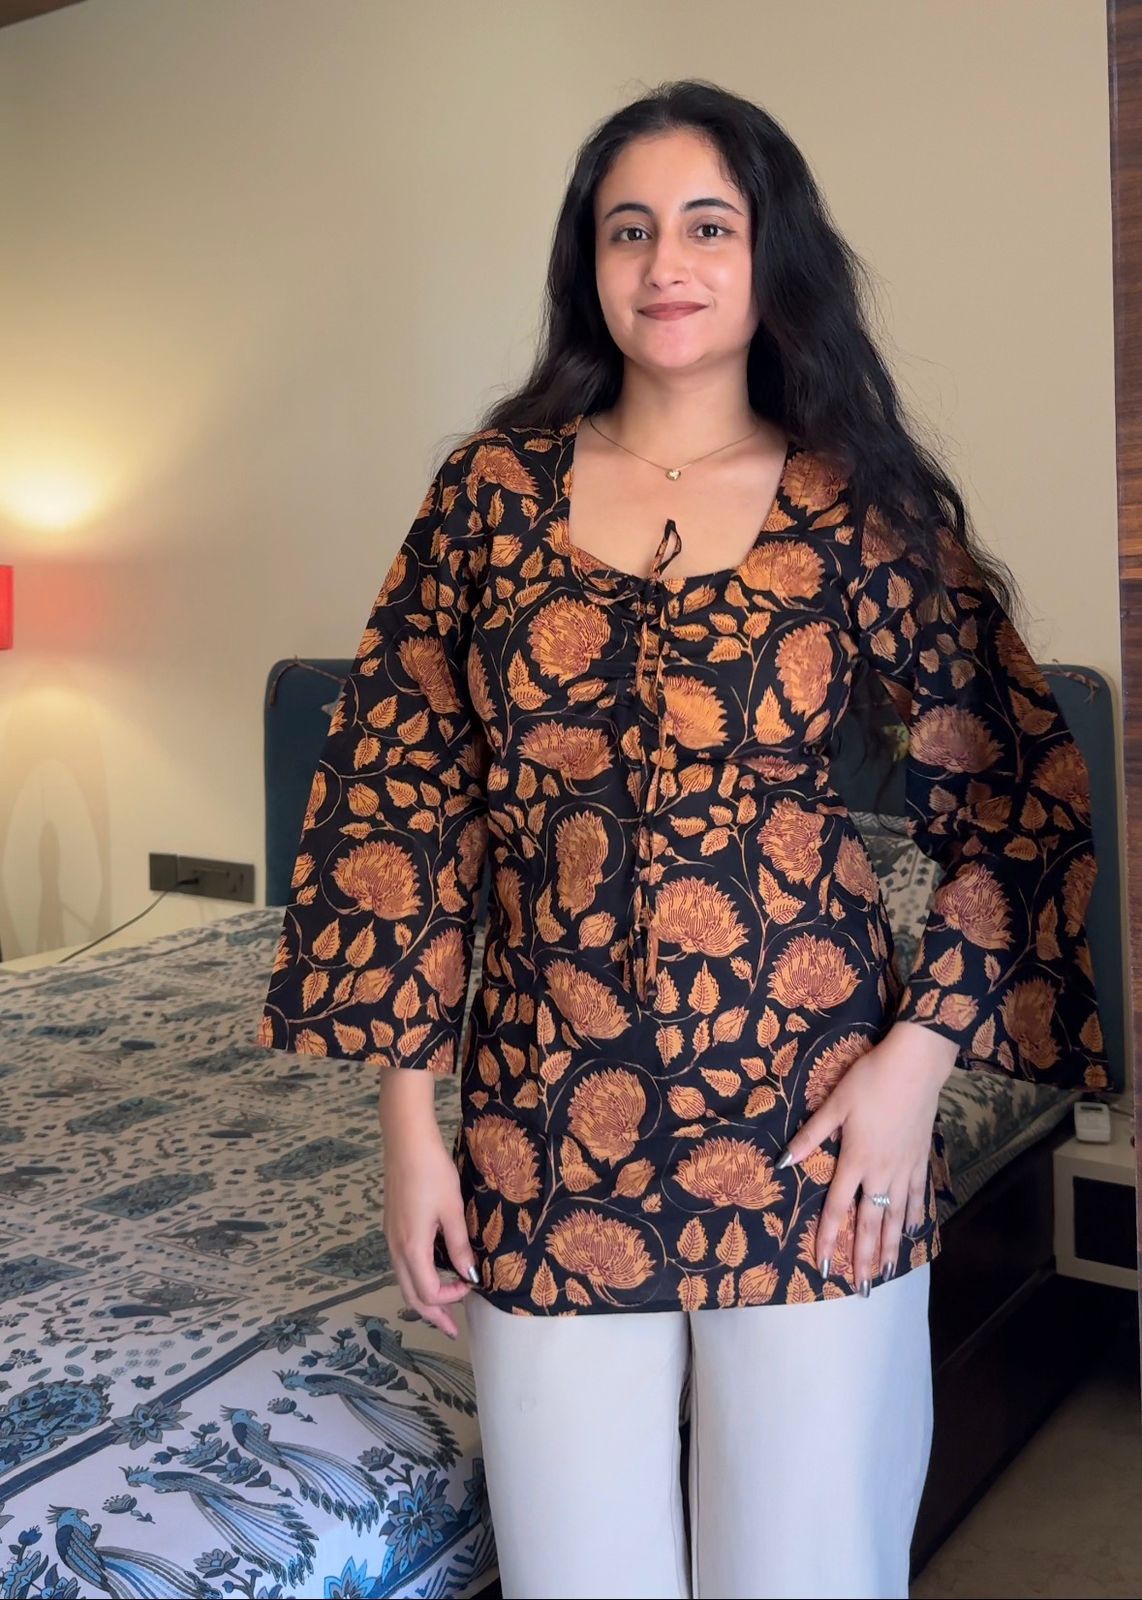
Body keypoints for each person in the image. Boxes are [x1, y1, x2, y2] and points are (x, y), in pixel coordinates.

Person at [257, 79, 1109, 1600]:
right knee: (582, 1576)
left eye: (706, 225)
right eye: (626, 228)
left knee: (807, 1570)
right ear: (586, 265)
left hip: (811, 1118)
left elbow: (1007, 797)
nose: (665, 262)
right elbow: (402, 798)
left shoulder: (854, 504)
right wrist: (406, 1128)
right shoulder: (488, 496)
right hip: (538, 1120)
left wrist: (914, 1073)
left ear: (767, 251)